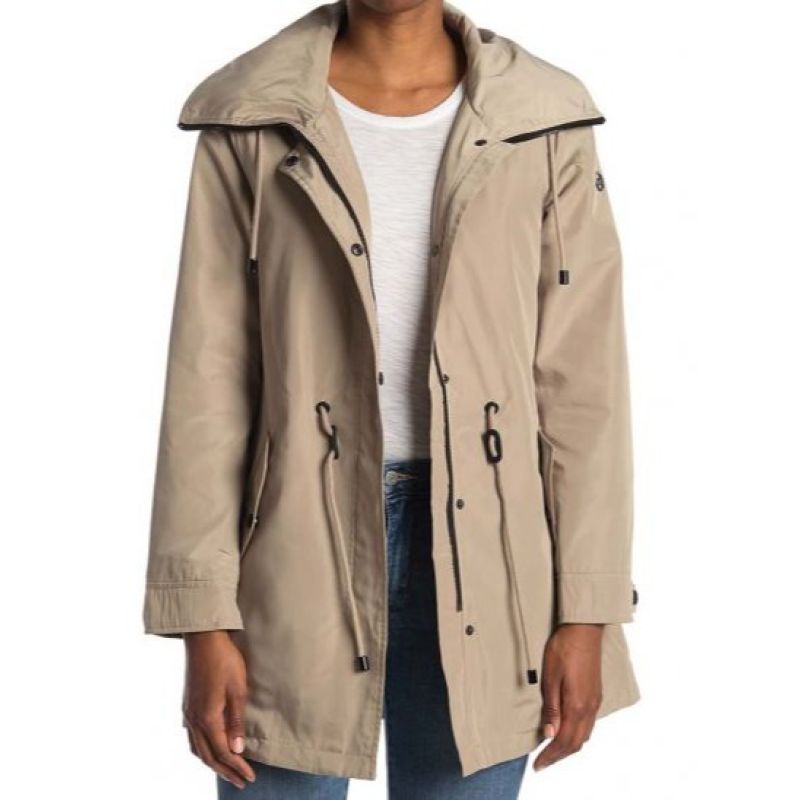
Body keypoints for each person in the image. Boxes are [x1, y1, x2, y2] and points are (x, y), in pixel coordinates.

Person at [143, 1, 640, 797]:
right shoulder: (252, 115)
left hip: (495, 551)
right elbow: (208, 380)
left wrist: (588, 610)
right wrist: (202, 618)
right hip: (293, 544)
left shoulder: (543, 117)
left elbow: (584, 386)